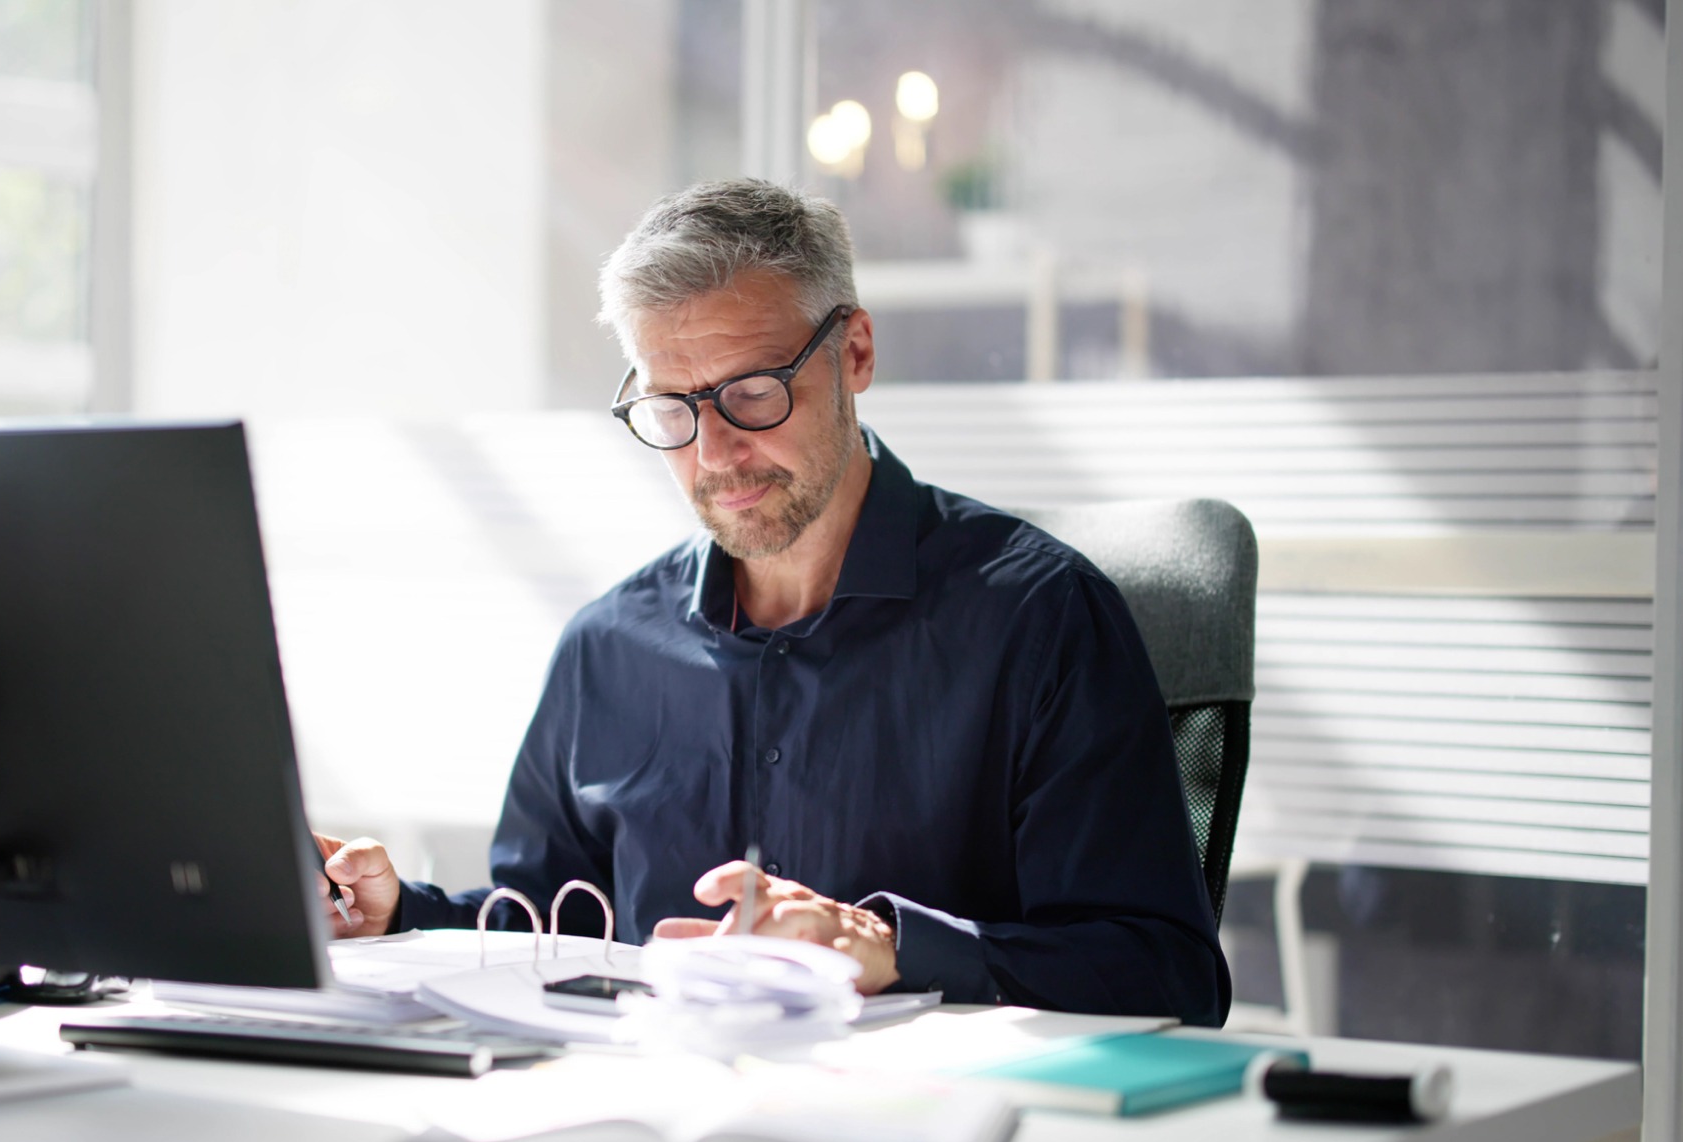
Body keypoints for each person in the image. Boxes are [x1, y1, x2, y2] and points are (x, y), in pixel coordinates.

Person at [320, 178, 1229, 1024]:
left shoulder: (1041, 619)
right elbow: (552, 932)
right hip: (653, 1132)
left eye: (751, 394)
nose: (714, 454)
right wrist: (399, 912)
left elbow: (1164, 972)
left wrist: (890, 948)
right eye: (673, 408)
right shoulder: (608, 647)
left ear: (856, 353)